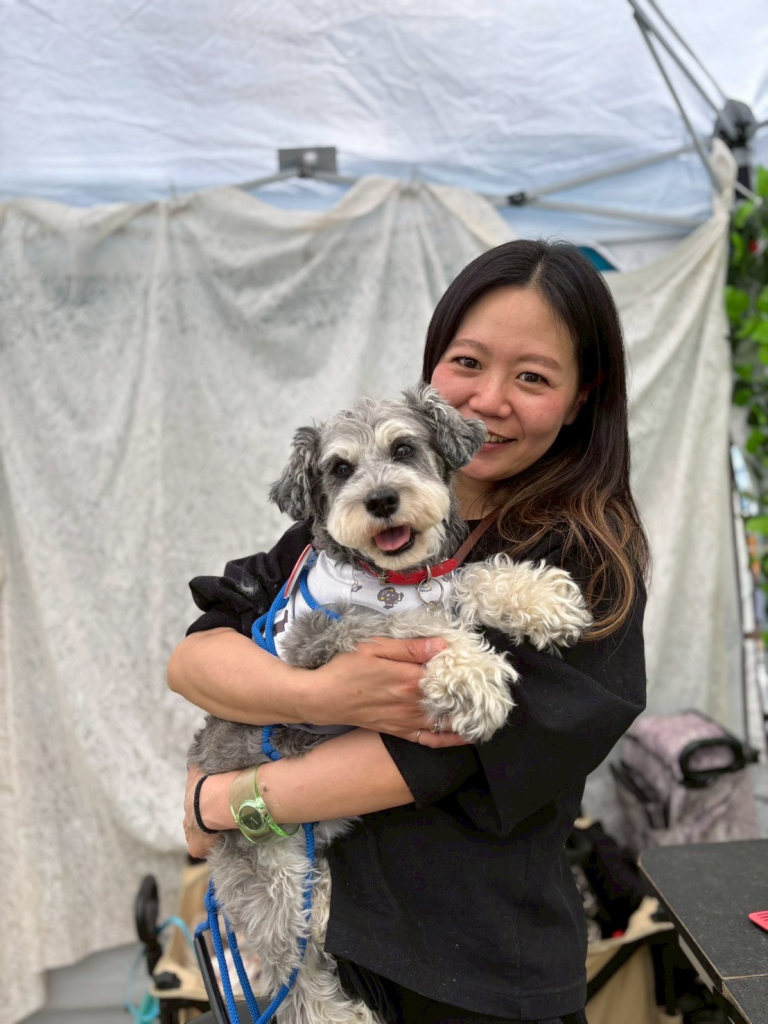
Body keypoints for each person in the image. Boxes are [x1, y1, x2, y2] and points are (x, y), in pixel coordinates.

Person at [168, 239, 648, 1024]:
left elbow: (441, 746)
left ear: (581, 397)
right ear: (432, 372)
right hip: (325, 947)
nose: (488, 400)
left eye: (532, 376)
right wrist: (314, 694)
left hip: (470, 973)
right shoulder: (330, 544)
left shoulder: (584, 561)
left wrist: (219, 801)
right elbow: (196, 659)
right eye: (468, 362)